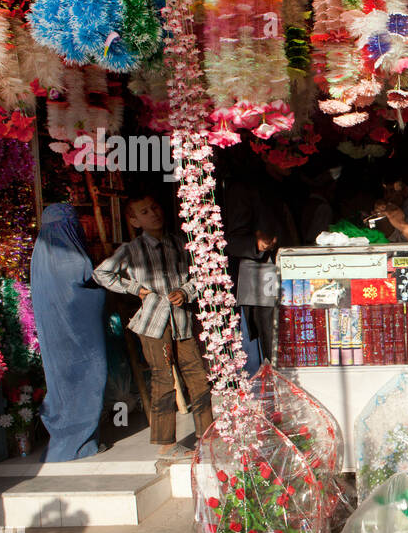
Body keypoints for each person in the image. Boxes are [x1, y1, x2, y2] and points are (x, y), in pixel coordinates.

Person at [93, 195, 213, 458]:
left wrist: (186, 291)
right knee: (162, 378)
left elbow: (200, 274)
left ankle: (207, 435)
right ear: (135, 221)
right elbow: (102, 273)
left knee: (197, 376)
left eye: (155, 207)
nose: (153, 213)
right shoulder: (131, 249)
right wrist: (135, 289)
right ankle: (166, 443)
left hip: (181, 320)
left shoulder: (182, 243)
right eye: (144, 211)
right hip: (152, 324)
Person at [29, 203, 108, 462]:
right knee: (88, 377)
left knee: (60, 381)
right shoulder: (72, 255)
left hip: (54, 335)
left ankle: (64, 440)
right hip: (80, 334)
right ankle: (81, 443)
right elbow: (85, 279)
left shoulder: (39, 255)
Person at [223, 160, 298, 374]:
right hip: (265, 279)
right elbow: (232, 240)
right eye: (289, 154)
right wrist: (257, 245)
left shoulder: (287, 186)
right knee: (273, 343)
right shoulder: (245, 189)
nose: (293, 159)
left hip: (292, 276)